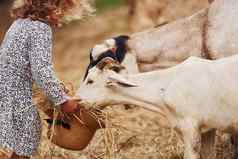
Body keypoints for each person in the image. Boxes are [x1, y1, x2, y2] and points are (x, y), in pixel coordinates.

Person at [0, 0, 93, 158]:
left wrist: (56, 86)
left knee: (13, 133)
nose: (62, 18)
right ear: (53, 8)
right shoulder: (40, 29)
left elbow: (24, 64)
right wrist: (62, 100)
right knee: (28, 129)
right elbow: (41, 71)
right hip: (15, 91)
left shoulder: (19, 23)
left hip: (5, 85)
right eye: (62, 10)